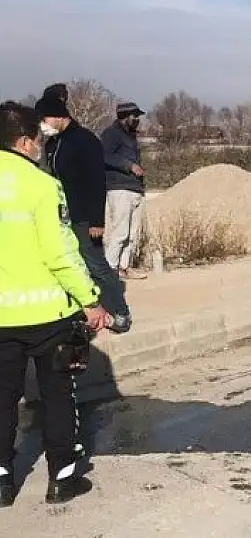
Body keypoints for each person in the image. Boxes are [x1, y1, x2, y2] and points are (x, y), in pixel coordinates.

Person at [0, 101, 111, 506]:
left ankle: (2, 481)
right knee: (58, 394)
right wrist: (91, 300)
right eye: (38, 140)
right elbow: (61, 253)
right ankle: (62, 478)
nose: (41, 148)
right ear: (24, 141)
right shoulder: (43, 186)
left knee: (2, 397)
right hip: (48, 313)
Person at [36, 94, 132, 334]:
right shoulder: (55, 143)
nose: (42, 125)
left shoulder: (85, 140)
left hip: (85, 216)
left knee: (96, 264)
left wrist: (97, 220)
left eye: (45, 118)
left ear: (59, 116)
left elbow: (96, 181)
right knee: (76, 265)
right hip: (64, 215)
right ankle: (88, 310)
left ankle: (120, 312)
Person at [101, 102, 148, 280]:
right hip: (119, 188)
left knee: (132, 233)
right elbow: (105, 156)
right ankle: (110, 270)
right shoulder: (111, 134)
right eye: (134, 116)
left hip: (135, 188)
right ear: (124, 116)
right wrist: (129, 166)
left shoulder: (132, 137)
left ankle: (124, 267)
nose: (137, 120)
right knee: (120, 232)